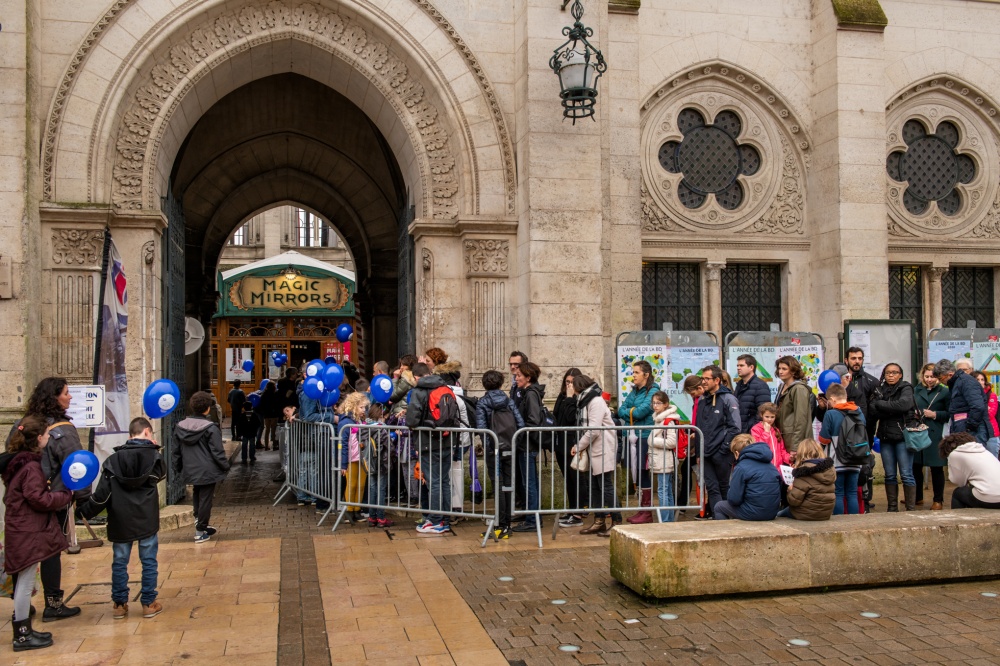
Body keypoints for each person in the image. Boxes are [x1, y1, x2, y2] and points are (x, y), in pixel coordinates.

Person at [77, 417, 165, 620]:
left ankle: (119, 604)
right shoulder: (155, 458)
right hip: (146, 518)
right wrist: (154, 449)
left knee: (119, 562)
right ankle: (148, 603)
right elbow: (160, 476)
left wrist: (82, 512)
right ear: (146, 432)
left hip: (120, 518)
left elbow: (102, 495)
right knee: (149, 561)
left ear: (129, 435)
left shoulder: (112, 461)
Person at [1, 415, 74, 651]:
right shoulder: (31, 466)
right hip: (27, 530)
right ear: (38, 438)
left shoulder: (18, 462)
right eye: (46, 434)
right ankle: (22, 635)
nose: (49, 437)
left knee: (24, 580)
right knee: (25, 582)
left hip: (20, 527)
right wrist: (64, 496)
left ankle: (25, 631)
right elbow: (37, 499)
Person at [18, 377, 85, 621]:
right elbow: (77, 467)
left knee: (23, 551)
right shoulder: (63, 430)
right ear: (54, 397)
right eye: (66, 393)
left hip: (21, 501)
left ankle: (22, 603)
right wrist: (83, 500)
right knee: (51, 551)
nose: (70, 397)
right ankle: (53, 604)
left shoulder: (22, 425)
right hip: (52, 499)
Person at [405, 362, 458, 535]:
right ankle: (446, 518)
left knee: (434, 481)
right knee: (444, 481)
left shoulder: (419, 391)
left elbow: (412, 420)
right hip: (447, 440)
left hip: (429, 443)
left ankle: (435, 519)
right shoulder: (444, 386)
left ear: (416, 377)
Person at [172, 391, 231, 543]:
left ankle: (200, 523)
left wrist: (177, 468)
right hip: (207, 469)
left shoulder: (180, 427)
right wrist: (225, 466)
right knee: (205, 498)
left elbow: (176, 451)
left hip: (190, 467)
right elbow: (217, 451)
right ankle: (200, 530)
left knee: (197, 494)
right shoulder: (211, 428)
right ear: (207, 409)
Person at [475, 369, 525, 540]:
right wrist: (514, 443)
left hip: (493, 450)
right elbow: (520, 424)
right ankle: (506, 526)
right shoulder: (508, 401)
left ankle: (500, 525)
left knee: (498, 486)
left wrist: (490, 447)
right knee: (508, 486)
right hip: (510, 448)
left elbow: (482, 430)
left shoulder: (482, 403)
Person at [571, 375, 619, 536]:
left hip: (603, 448)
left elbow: (594, 430)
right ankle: (599, 521)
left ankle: (617, 521)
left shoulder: (595, 402)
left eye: (573, 386)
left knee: (605, 486)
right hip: (595, 449)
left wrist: (579, 446)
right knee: (595, 488)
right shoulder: (587, 401)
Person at [695, 365, 741, 518]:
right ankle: (717, 518)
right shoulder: (702, 400)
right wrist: (698, 451)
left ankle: (729, 517)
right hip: (706, 452)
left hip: (721, 452)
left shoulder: (728, 398)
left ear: (717, 380)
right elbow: (699, 427)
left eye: (707, 379)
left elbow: (735, 427)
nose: (703, 382)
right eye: (703, 378)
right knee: (712, 487)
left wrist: (724, 448)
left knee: (724, 486)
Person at [870, 363, 917, 511]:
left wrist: (881, 404)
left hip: (903, 437)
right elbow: (872, 410)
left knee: (906, 474)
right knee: (889, 475)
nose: (891, 375)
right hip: (885, 438)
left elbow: (903, 405)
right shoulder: (879, 388)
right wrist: (891, 408)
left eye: (894, 372)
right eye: (888, 373)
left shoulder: (906, 388)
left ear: (900, 374)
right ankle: (892, 507)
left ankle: (910, 508)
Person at [818, 384, 866, 515]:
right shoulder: (859, 412)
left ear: (832, 399)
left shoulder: (831, 414)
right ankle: (853, 524)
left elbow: (824, 439)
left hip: (837, 460)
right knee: (852, 492)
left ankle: (839, 524)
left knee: (838, 492)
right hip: (856, 458)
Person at [618, 360, 656, 524]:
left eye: (636, 373)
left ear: (646, 375)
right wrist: (630, 412)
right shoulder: (634, 392)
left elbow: (642, 411)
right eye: (633, 372)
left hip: (644, 436)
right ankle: (641, 509)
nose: (633, 375)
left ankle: (646, 512)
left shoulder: (653, 391)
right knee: (636, 472)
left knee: (642, 471)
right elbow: (621, 409)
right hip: (632, 436)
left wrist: (630, 412)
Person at [713, 434, 781, 521]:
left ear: (737, 453)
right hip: (772, 512)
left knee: (719, 506)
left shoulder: (741, 467)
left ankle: (727, 533)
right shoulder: (771, 466)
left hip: (754, 513)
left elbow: (734, 499)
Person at [512, 361, 546, 532]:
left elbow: (533, 420)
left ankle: (533, 520)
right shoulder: (527, 392)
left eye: (519, 375)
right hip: (525, 444)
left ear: (528, 377)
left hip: (527, 445)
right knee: (528, 482)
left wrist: (521, 432)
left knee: (529, 483)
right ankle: (532, 517)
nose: (516, 378)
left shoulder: (531, 394)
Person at [913, 363, 950, 510]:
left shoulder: (945, 392)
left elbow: (949, 413)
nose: (929, 380)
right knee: (916, 466)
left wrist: (935, 414)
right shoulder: (916, 390)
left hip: (935, 432)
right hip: (918, 432)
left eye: (933, 376)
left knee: (936, 467)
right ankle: (917, 497)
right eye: (927, 376)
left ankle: (938, 500)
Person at [553, 368, 584, 527]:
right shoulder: (561, 396)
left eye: (572, 382)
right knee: (568, 479)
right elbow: (558, 416)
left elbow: (571, 418)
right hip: (561, 444)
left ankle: (578, 513)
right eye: (567, 382)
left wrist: (571, 398)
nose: (569, 385)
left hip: (573, 443)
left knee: (575, 478)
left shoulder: (578, 398)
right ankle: (572, 509)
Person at [778, 439, 835, 520]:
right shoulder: (829, 469)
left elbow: (794, 501)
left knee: (779, 514)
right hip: (825, 513)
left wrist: (790, 490)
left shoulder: (803, 472)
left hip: (805, 513)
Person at [940, 432, 1000, 509]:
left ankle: (958, 519)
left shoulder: (955, 454)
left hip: (991, 498)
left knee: (958, 493)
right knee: (971, 491)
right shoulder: (983, 450)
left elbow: (958, 481)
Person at [935, 358, 988, 443]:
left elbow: (978, 407)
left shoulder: (966, 382)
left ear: (950, 374)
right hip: (964, 430)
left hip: (972, 431)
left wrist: (969, 427)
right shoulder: (958, 383)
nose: (941, 382)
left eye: (941, 379)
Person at [339, 392, 371, 522]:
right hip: (351, 459)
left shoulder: (360, 421)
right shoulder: (345, 422)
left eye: (364, 407)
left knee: (361, 484)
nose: (364, 410)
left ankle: (357, 509)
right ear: (353, 406)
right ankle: (349, 509)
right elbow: (343, 445)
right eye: (361, 407)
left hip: (361, 458)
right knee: (351, 485)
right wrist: (343, 464)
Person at [648, 391, 678, 522]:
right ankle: (668, 519)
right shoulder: (659, 419)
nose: (655, 406)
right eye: (653, 403)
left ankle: (665, 520)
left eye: (658, 403)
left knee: (663, 490)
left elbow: (672, 442)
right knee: (666, 490)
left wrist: (653, 441)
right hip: (661, 459)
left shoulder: (667, 421)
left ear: (666, 404)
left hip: (664, 460)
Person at [363, 403, 395, 528]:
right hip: (382, 462)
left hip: (369, 461)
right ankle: (381, 518)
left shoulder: (364, 426)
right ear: (381, 415)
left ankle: (372, 517)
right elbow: (389, 447)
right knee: (381, 489)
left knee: (372, 488)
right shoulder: (382, 428)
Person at [676, 375, 703, 511]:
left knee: (690, 470)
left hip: (699, 438)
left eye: (692, 392)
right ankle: (683, 504)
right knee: (686, 469)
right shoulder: (697, 399)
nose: (691, 395)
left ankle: (686, 504)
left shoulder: (702, 400)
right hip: (695, 436)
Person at [775, 356, 813, 453]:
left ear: (793, 371)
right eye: (779, 368)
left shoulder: (798, 388)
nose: (780, 371)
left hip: (793, 439)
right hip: (782, 436)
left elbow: (801, 419)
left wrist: (795, 447)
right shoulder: (781, 387)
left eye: (784, 369)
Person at [843, 347, 879, 435]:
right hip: (843, 426)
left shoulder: (872, 381)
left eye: (860, 358)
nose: (857, 361)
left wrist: (867, 423)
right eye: (853, 358)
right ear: (846, 360)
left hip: (865, 429)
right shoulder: (840, 380)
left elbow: (875, 407)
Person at [734, 354, 771, 434]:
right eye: (737, 365)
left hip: (752, 433)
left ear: (751, 367)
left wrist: (751, 429)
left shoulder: (760, 386)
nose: (738, 368)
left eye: (741, 365)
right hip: (739, 432)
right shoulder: (739, 385)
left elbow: (764, 412)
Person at [750, 402, 789, 471]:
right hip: (764, 467)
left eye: (772, 417)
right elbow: (759, 447)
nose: (770, 419)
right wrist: (766, 432)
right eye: (767, 417)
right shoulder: (756, 429)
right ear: (761, 415)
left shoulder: (776, 430)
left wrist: (789, 458)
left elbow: (782, 450)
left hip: (778, 468)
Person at [972, 370, 999, 441]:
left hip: (991, 432)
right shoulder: (968, 396)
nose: (980, 382)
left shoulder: (991, 395)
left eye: (982, 379)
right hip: (974, 431)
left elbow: (990, 414)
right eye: (977, 379)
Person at [260, 381, 280, 450]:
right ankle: (274, 444)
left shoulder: (264, 394)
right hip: (274, 414)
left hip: (266, 414)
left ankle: (266, 446)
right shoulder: (275, 394)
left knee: (267, 430)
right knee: (273, 430)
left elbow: (262, 404)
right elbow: (277, 403)